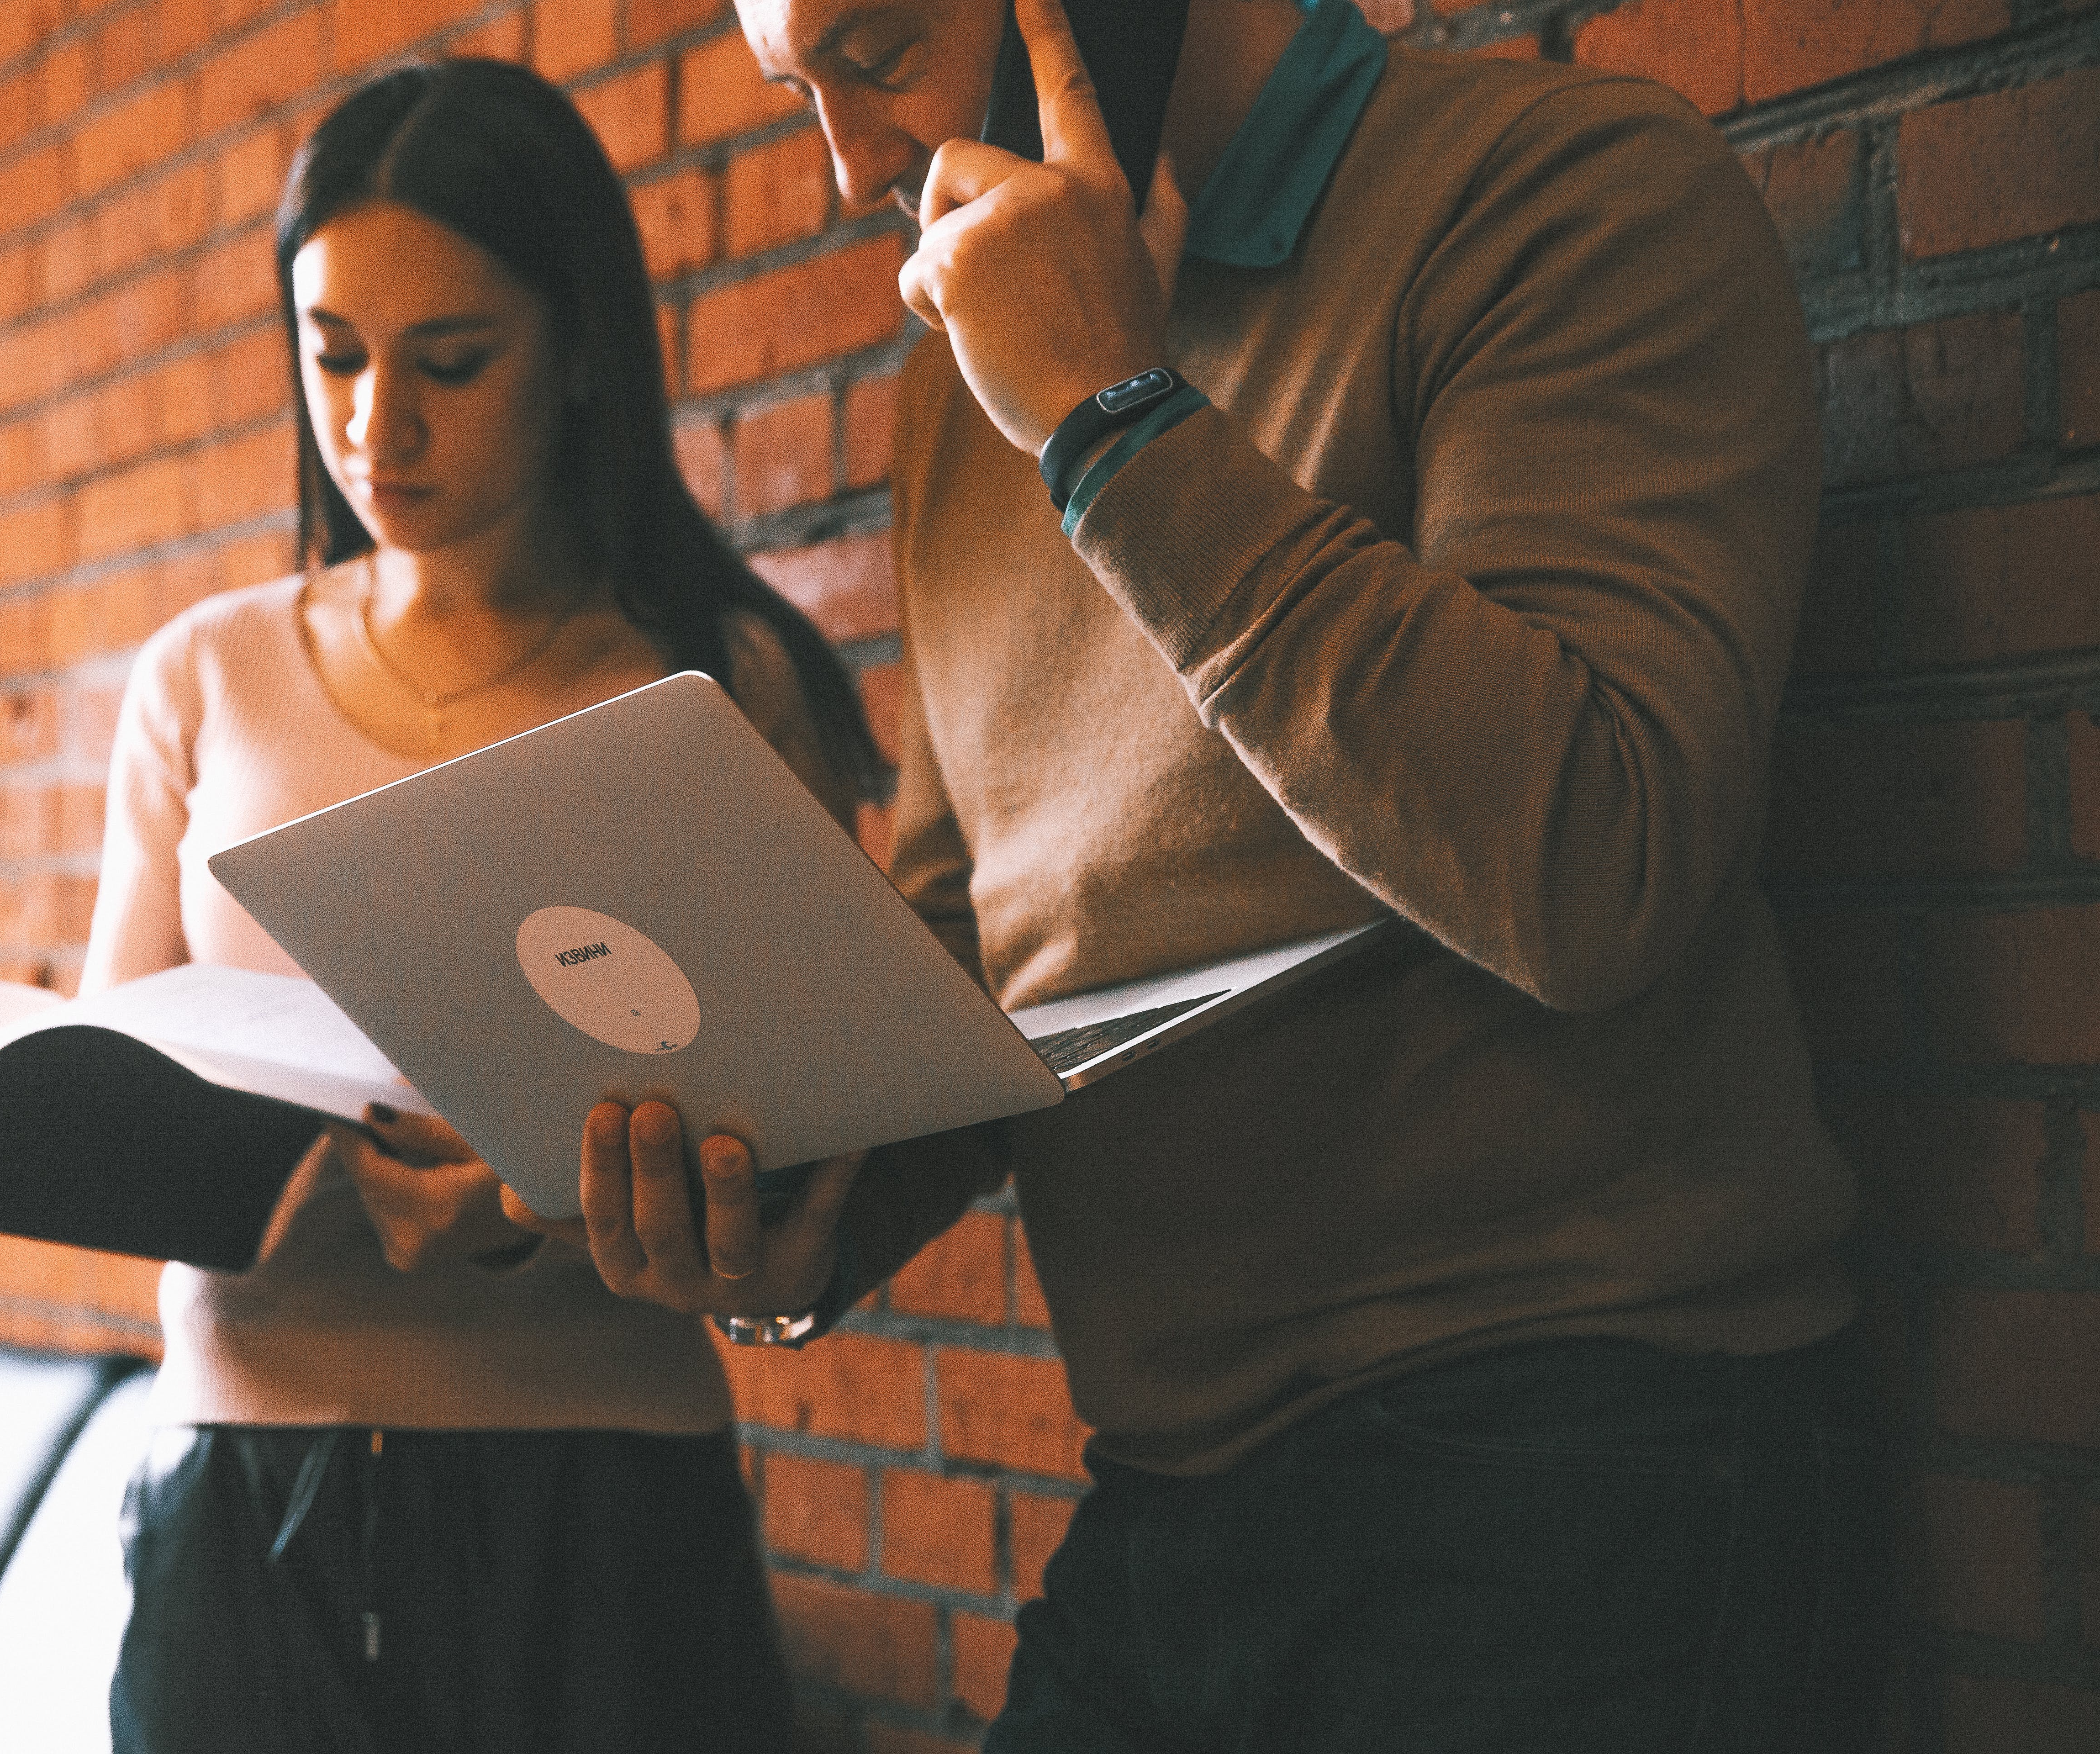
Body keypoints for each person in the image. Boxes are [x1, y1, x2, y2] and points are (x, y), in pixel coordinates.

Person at [508, 0, 1890, 1747]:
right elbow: (978, 938)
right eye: (800, 94)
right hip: (1171, 1496)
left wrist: (1111, 421)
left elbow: (1596, 859)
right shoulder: (961, 381)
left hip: (1587, 1450)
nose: (852, 170)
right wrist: (793, 1202)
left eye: (876, 51)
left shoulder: (1559, 189)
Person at [0, 58, 887, 1754]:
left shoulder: (718, 683)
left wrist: (564, 1203)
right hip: (244, 1518)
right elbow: (119, 1108)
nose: (375, 426)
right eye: (332, 352)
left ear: (580, 357)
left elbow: (824, 1177)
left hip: (604, 1528)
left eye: (451, 362)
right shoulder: (209, 676)